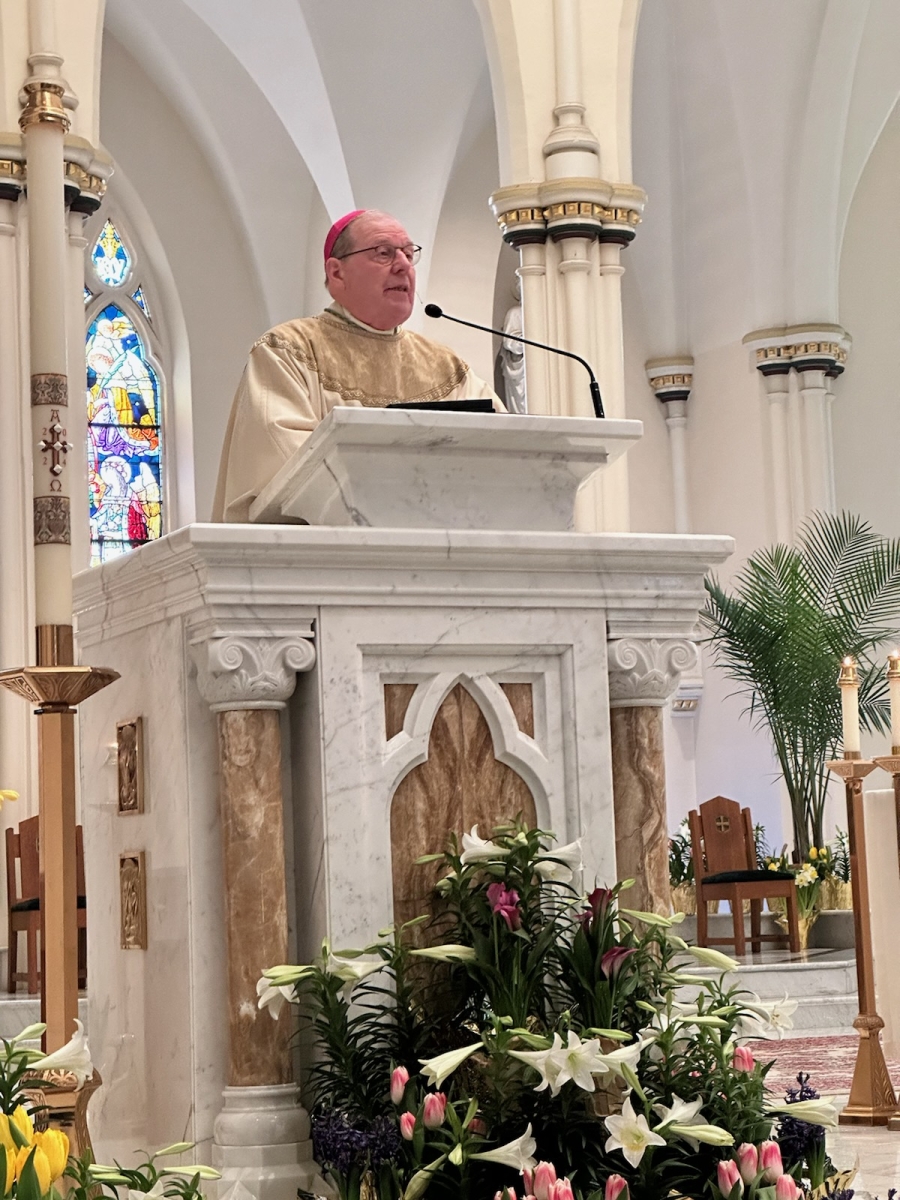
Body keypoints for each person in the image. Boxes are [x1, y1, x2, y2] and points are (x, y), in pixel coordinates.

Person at [213, 209, 500, 521]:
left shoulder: (446, 367)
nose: (403, 265)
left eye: (407, 253)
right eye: (383, 253)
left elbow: (505, 447)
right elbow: (286, 461)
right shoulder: (288, 350)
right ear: (337, 273)